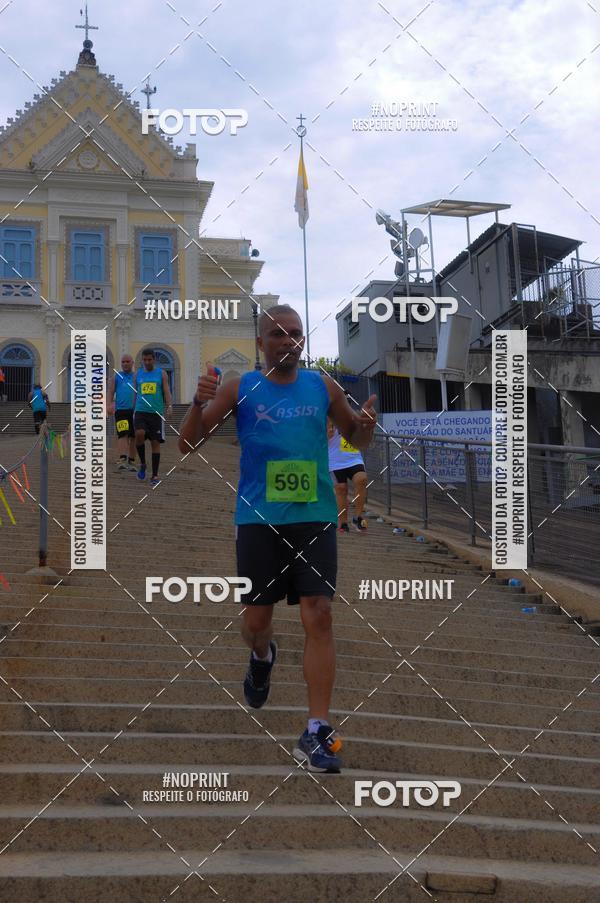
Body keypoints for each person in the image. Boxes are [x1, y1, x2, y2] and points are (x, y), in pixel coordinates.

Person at [179, 304, 377, 773]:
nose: (288, 340)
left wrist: (364, 427)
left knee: (320, 614)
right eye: (277, 334)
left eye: (295, 333)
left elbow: (355, 436)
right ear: (260, 343)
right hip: (258, 519)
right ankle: (263, 656)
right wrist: (194, 404)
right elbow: (188, 444)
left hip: (315, 515)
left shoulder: (322, 384)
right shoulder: (241, 387)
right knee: (256, 622)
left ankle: (316, 731)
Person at [133, 348, 172, 487]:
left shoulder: (161, 374)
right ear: (142, 360)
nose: (147, 362)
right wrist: (133, 408)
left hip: (156, 413)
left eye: (149, 359)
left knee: (155, 443)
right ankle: (143, 463)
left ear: (154, 359)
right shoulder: (138, 374)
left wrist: (169, 405)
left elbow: (166, 390)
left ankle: (155, 475)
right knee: (139, 433)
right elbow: (135, 393)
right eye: (144, 360)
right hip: (140, 411)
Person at [327, 416, 369, 532]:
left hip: (353, 457)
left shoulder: (350, 416)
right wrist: (327, 432)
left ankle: (358, 517)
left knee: (362, 479)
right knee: (341, 489)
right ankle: (343, 522)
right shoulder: (323, 417)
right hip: (334, 461)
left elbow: (362, 435)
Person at [108, 354, 137, 471]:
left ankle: (132, 461)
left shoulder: (137, 376)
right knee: (122, 434)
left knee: (134, 436)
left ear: (132, 363)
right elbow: (110, 391)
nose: (125, 364)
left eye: (127, 362)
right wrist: (109, 404)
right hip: (121, 411)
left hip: (136, 411)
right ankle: (122, 459)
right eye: (123, 362)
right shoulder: (117, 376)